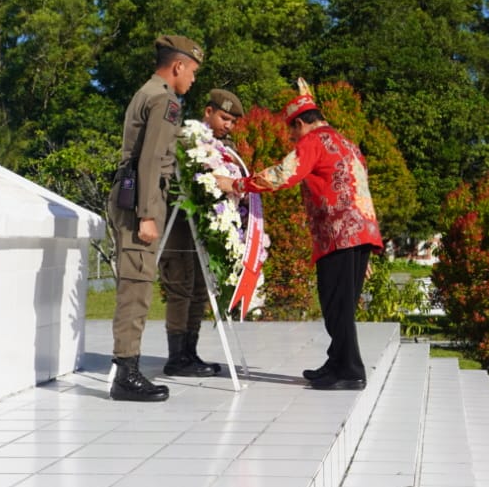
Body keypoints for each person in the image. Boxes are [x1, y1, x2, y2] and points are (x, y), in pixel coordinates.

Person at [216, 81, 383, 390]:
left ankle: (350, 370)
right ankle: (337, 362)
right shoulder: (347, 143)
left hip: (337, 235)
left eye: (292, 133)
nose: (292, 140)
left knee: (336, 305)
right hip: (359, 233)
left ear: (302, 122)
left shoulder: (314, 142)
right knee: (341, 303)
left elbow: (284, 174)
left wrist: (236, 185)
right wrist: (365, 246)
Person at [107, 34, 203, 401]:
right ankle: (125, 375)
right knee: (136, 287)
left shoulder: (148, 92)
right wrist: (147, 215)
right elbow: (149, 160)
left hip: (135, 196)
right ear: (177, 66)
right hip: (139, 202)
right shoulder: (164, 99)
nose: (192, 79)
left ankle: (126, 369)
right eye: (192, 71)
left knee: (138, 283)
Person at [160, 88, 244, 378]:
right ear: (208, 112)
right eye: (224, 118)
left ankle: (189, 352)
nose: (228, 125)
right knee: (180, 287)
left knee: (198, 289)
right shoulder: (185, 138)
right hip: (178, 224)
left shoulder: (224, 147)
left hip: (203, 227)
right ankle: (176, 357)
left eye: (232, 121)